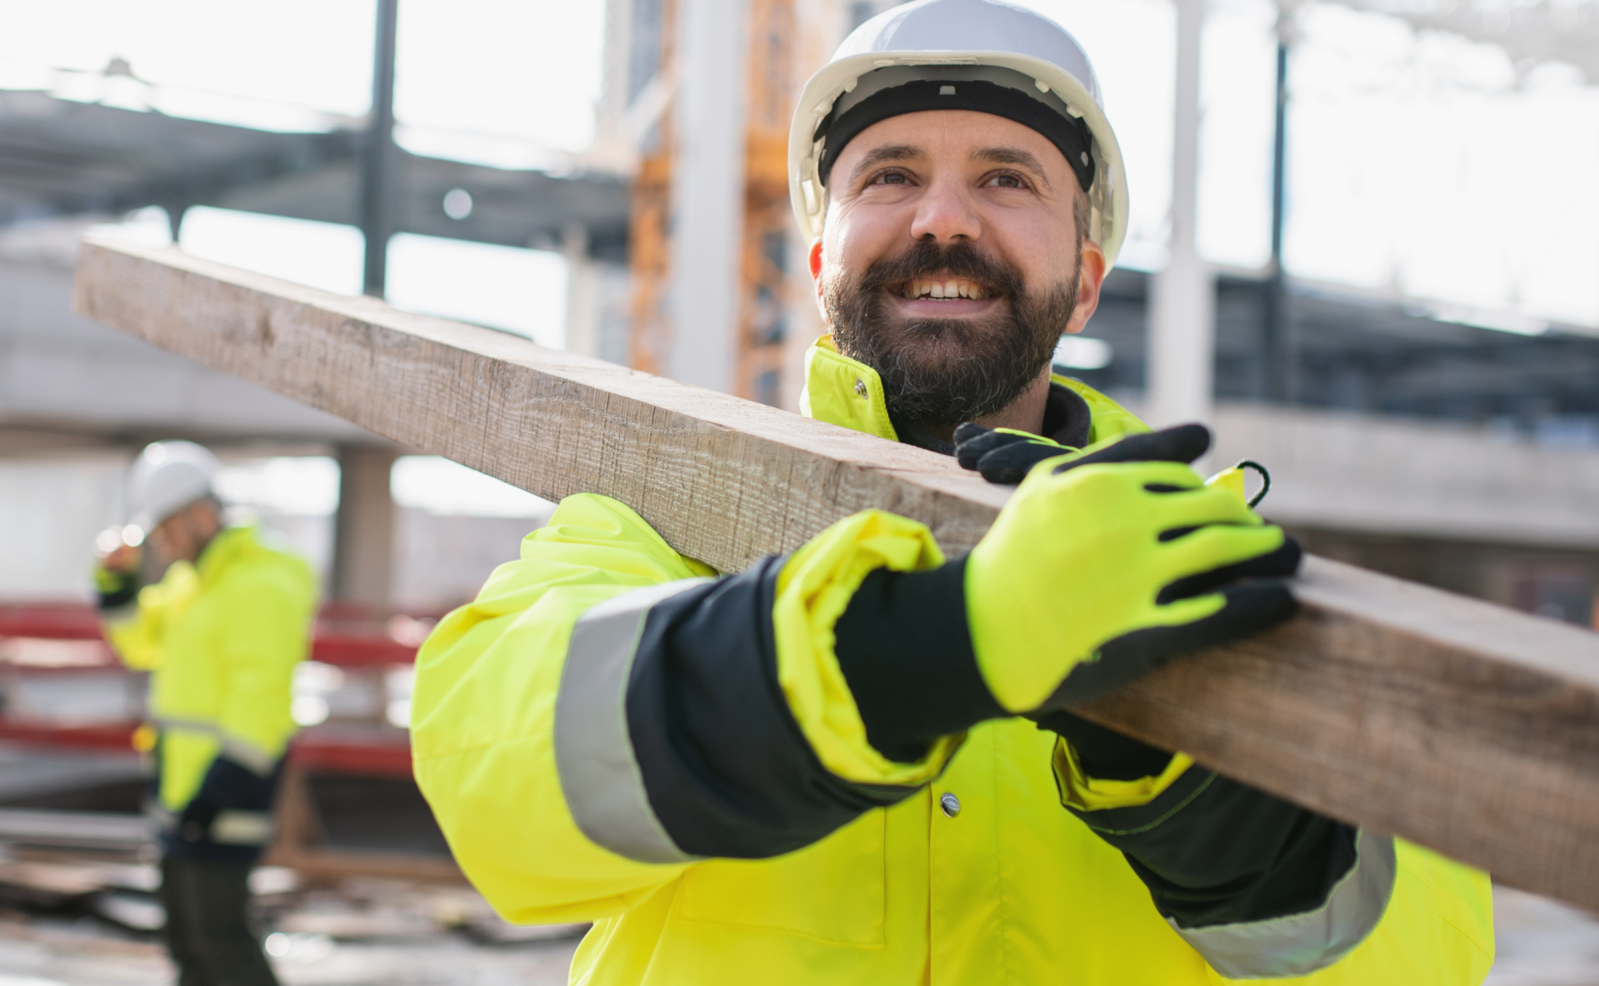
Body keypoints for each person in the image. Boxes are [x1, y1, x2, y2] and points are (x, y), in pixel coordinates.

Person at [407, 1, 1495, 982]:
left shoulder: (1203, 566)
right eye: (888, 174)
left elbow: (1407, 952)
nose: (941, 220)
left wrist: (1172, 755)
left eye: (1007, 179)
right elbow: (497, 780)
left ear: (1085, 279)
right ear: (822, 255)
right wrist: (926, 644)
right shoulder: (663, 520)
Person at [98, 441, 316, 986]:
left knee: (220, 943)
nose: (163, 544)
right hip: (181, 796)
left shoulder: (260, 584)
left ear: (202, 513)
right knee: (188, 947)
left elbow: (261, 698)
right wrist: (116, 583)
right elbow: (139, 645)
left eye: (168, 528)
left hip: (223, 796)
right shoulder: (190, 585)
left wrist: (222, 789)